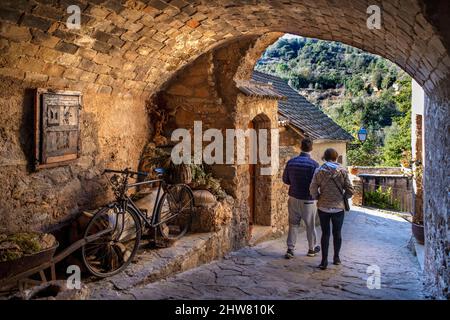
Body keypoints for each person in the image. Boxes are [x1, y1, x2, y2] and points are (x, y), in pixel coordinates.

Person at [310, 148, 354, 270]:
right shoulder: (343, 171)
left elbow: (312, 188)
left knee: (325, 234)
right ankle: (336, 258)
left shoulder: (319, 171)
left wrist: (318, 197)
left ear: (324, 157)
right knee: (337, 233)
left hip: (323, 207)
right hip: (338, 208)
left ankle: (324, 261)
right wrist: (344, 197)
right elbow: (350, 190)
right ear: (336, 157)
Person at [282, 138, 321, 259]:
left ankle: (290, 249)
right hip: (308, 200)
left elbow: (285, 180)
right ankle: (311, 249)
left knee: (293, 224)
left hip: (293, 197)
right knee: (310, 225)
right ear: (311, 148)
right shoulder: (314, 165)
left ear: (300, 147)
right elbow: (317, 183)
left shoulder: (291, 162)